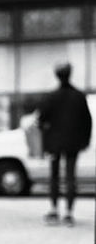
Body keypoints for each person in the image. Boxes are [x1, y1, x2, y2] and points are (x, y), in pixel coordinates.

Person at [37, 62, 92, 225]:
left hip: (54, 144)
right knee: (70, 177)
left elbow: (41, 120)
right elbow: (87, 121)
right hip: (73, 143)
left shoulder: (51, 97)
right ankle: (68, 213)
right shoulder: (79, 96)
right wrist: (85, 141)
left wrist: (45, 139)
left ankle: (54, 210)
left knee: (54, 177)